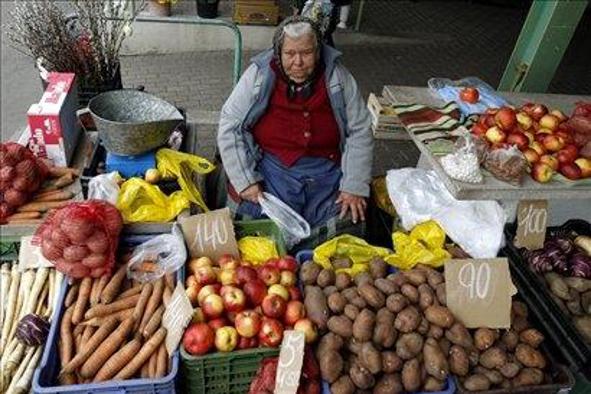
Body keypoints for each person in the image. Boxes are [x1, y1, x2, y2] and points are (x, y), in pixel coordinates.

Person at [217, 16, 373, 247]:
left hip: (327, 172)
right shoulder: (259, 75)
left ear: (318, 51)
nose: (298, 62)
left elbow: (360, 130)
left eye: (306, 53)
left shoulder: (338, 78)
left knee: (348, 217)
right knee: (253, 223)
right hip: (273, 168)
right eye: (290, 54)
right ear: (279, 53)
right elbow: (230, 124)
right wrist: (245, 180)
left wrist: (354, 186)